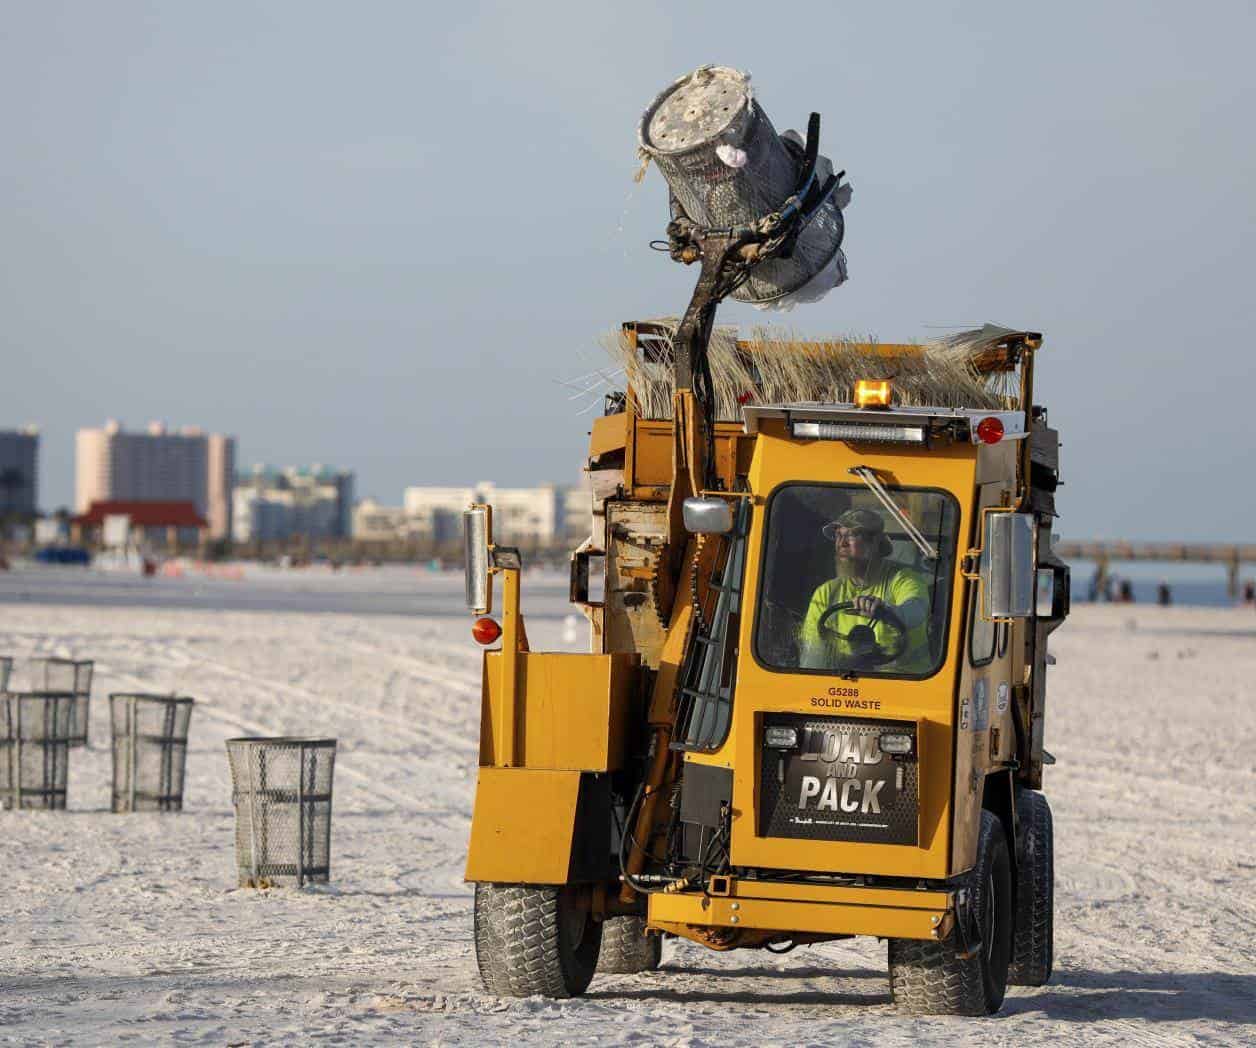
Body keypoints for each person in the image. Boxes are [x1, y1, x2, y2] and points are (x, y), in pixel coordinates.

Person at [798, 507, 930, 671]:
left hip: (909, 685)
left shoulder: (903, 579)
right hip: (848, 687)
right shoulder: (826, 592)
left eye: (852, 535)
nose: (841, 543)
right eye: (838, 535)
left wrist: (888, 612)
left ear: (874, 542)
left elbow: (916, 610)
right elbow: (812, 655)